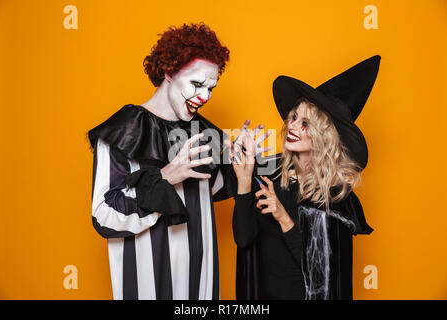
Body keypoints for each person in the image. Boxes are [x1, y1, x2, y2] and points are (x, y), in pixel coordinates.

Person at [87, 23, 268, 300]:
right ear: (169, 72)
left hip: (201, 281)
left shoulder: (204, 132)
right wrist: (165, 178)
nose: (204, 97)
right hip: (148, 282)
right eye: (196, 84)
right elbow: (103, 214)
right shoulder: (123, 130)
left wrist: (240, 160)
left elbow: (211, 190)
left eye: (211, 88)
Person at [231, 55, 380, 300]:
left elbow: (322, 273)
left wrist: (283, 217)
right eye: (293, 117)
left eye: (305, 124)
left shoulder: (336, 195)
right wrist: (245, 180)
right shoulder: (269, 171)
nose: (292, 126)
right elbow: (243, 238)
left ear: (325, 136)